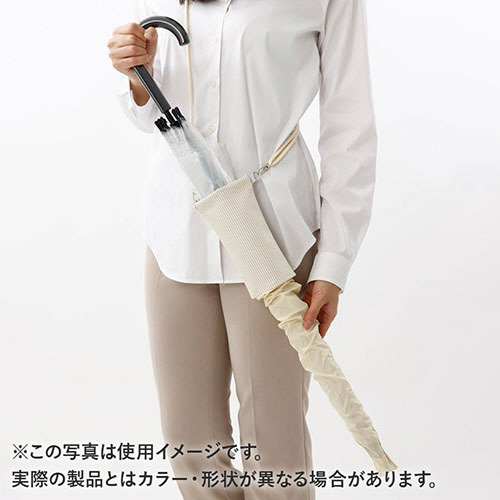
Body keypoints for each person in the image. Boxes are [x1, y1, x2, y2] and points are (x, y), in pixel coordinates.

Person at [107, 0, 377, 498]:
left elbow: (350, 122)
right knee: (191, 448)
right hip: (177, 230)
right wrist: (136, 77)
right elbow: (151, 112)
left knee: (275, 450)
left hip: (274, 235)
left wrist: (334, 260)